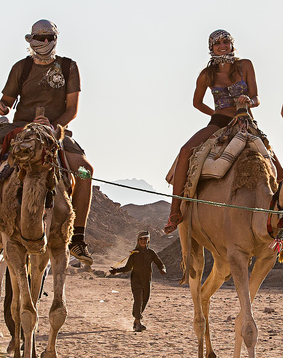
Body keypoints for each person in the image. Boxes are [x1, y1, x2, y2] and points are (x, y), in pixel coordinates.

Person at [0, 19, 96, 264]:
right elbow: (7, 100)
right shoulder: (21, 68)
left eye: (49, 38)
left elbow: (72, 109)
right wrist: (0, 106)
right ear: (30, 39)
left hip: (54, 129)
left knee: (85, 170)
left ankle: (77, 236)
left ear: (55, 39)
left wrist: (55, 126)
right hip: (20, 127)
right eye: (40, 38)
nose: (44, 43)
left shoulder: (69, 67)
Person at [162, 29, 271, 233]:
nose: (222, 46)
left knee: (274, 164)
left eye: (226, 41)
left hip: (244, 120)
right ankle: (174, 212)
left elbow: (257, 97)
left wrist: (249, 101)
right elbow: (196, 102)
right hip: (219, 121)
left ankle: (282, 220)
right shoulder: (206, 75)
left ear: (232, 44)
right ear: (211, 47)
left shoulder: (244, 65)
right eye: (217, 43)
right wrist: (216, 112)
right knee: (186, 151)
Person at [108, 231, 166, 332]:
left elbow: (160, 263)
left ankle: (136, 319)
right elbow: (127, 268)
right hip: (136, 279)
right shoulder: (134, 254)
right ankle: (138, 323)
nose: (143, 241)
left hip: (147, 279)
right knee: (138, 300)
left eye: (145, 239)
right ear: (138, 241)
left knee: (145, 300)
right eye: (141, 239)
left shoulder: (151, 253)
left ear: (148, 241)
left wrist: (162, 269)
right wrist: (116, 271)